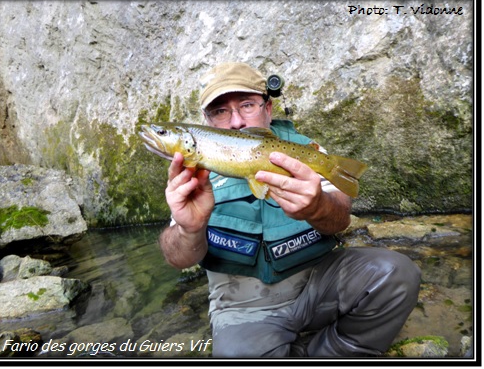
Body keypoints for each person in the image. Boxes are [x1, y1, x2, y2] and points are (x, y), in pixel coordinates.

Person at [158, 62, 421, 357]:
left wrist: (318, 207)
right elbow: (177, 258)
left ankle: (334, 353)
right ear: (206, 120)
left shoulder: (306, 151)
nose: (235, 122)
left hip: (319, 283)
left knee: (396, 274)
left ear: (267, 108)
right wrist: (188, 229)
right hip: (244, 307)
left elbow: (340, 220)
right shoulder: (192, 170)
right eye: (220, 111)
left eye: (246, 105)